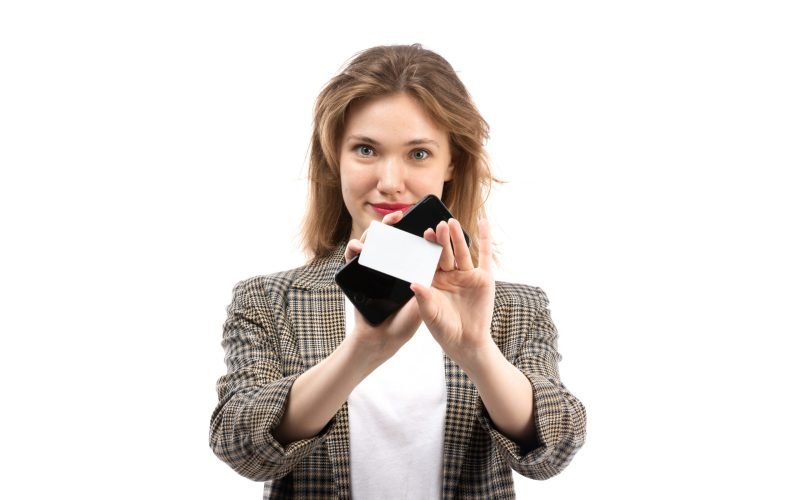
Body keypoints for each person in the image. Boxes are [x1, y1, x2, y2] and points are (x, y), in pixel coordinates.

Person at [210, 43, 586, 499]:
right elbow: (240, 446)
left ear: (452, 162)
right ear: (335, 158)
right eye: (365, 149)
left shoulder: (512, 306)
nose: (390, 181)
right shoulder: (269, 300)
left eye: (419, 154)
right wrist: (361, 353)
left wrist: (478, 353)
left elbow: (556, 449)